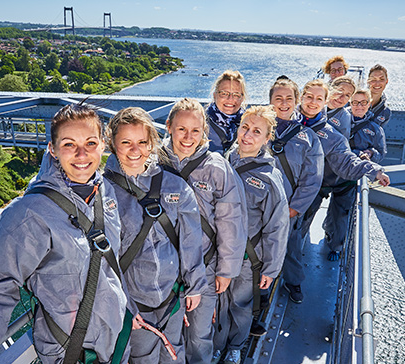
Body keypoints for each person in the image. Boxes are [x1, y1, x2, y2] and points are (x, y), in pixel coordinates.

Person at [0, 104, 128, 364]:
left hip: (115, 338)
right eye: (69, 144)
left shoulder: (103, 192)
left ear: (103, 145)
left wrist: (127, 311)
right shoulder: (30, 211)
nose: (81, 154)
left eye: (90, 143)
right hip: (71, 349)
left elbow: (109, 266)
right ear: (52, 149)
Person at [103, 107, 207, 364]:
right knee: (143, 358)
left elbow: (190, 239)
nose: (135, 150)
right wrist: (125, 308)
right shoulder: (104, 192)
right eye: (126, 142)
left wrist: (194, 286)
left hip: (172, 296)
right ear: (113, 144)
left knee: (175, 352)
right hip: (137, 305)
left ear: (152, 144)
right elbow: (106, 261)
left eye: (142, 142)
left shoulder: (173, 185)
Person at [284, 79, 390, 303]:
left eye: (319, 99)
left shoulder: (330, 135)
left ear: (325, 102)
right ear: (301, 96)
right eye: (309, 97)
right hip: (277, 193)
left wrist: (374, 170)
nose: (313, 102)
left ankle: (292, 282)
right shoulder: (282, 120)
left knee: (293, 237)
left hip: (302, 196)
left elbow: (347, 161)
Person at [162, 98, 248, 364]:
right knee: (167, 334)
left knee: (199, 333)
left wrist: (227, 270)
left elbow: (231, 222)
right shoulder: (154, 161)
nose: (188, 137)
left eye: (195, 131)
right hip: (162, 267)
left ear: (204, 132)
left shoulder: (217, 167)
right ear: (168, 127)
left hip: (204, 265)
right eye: (181, 129)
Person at [213, 105, 289, 364]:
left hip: (249, 258)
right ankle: (217, 344)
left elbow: (277, 227)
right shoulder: (222, 161)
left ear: (267, 139)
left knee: (240, 305)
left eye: (257, 131)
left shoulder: (269, 178)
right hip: (219, 251)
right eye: (245, 127)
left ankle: (235, 345)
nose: (247, 135)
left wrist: (271, 269)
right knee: (218, 302)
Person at [268, 76, 324, 305]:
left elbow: (313, 178)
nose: (283, 103)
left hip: (288, 207)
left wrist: (295, 208)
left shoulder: (308, 137)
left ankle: (293, 282)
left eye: (288, 98)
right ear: (270, 101)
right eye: (278, 98)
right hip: (257, 204)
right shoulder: (259, 128)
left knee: (291, 246)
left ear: (296, 101)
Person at [322, 89, 388, 261]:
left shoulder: (374, 129)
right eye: (355, 102)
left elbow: (381, 152)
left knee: (341, 212)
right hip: (326, 173)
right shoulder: (339, 119)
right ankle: (312, 234)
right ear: (349, 104)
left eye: (363, 102)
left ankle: (335, 245)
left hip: (348, 177)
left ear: (368, 105)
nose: (359, 106)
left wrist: (371, 154)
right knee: (309, 209)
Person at [206, 70, 248, 154]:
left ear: (242, 98)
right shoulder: (200, 123)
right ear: (215, 95)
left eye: (236, 95)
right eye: (224, 93)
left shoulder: (250, 125)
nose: (230, 99)